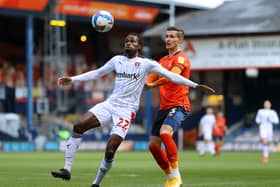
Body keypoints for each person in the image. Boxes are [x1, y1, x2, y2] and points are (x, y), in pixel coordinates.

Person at [51, 33, 215, 187]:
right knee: (78, 125)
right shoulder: (117, 60)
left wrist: (195, 85)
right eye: (127, 41)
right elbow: (97, 73)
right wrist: (72, 79)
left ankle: (96, 183)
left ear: (139, 47)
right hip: (110, 104)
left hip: (126, 111)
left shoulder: (147, 64)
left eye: (133, 41)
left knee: (110, 150)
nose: (129, 43)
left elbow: (172, 76)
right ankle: (66, 169)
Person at [146, 26, 214, 187]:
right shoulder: (162, 61)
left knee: (165, 134)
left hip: (179, 104)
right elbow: (150, 77)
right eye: (167, 36)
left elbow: (173, 77)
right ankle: (170, 177)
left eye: (171, 37)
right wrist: (144, 81)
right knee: (153, 146)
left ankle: (177, 176)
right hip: (163, 107)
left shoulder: (182, 59)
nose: (168, 39)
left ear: (180, 40)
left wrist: (152, 85)